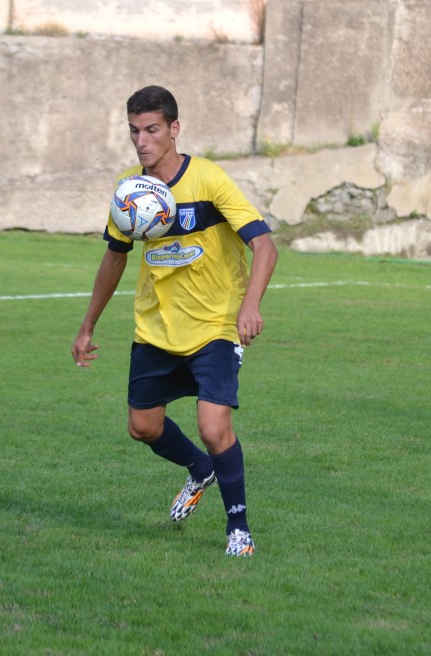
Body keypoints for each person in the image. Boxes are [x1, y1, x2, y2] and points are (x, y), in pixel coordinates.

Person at [71, 85, 278, 557]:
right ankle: (199, 469)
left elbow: (264, 245)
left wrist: (251, 305)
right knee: (142, 426)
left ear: (174, 129)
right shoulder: (129, 192)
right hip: (156, 327)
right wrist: (87, 327)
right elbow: (114, 258)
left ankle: (238, 530)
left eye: (152, 130)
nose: (142, 141)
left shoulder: (208, 180)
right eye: (134, 131)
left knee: (213, 425)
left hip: (216, 325)